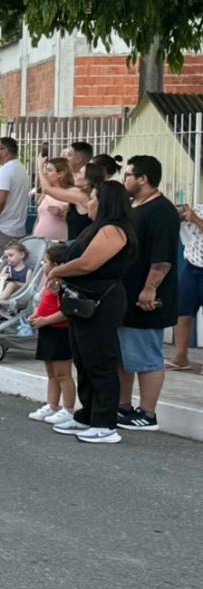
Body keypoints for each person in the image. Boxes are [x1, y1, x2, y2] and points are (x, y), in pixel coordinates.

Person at [48, 180, 136, 444]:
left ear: (106, 201)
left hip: (102, 303)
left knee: (100, 361)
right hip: (83, 301)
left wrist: (56, 271)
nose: (90, 202)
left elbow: (88, 264)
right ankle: (87, 415)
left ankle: (105, 423)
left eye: (94, 197)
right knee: (84, 359)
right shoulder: (97, 228)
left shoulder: (114, 230)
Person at [115, 155, 180, 432]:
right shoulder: (134, 206)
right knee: (124, 356)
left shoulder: (161, 211)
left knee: (146, 356)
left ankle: (148, 413)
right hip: (125, 295)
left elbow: (163, 257)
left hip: (147, 299)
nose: (124, 179)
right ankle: (123, 406)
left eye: (128, 175)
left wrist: (150, 288)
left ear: (143, 179)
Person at [0, 137, 30, 322]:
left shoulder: (6, 170)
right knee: (11, 270)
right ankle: (8, 311)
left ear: (5, 151)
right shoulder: (20, 169)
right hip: (16, 226)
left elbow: (2, 199)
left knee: (1, 271)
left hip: (2, 227)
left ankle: (0, 314)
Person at [27, 244, 77, 425]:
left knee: (63, 373)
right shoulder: (51, 281)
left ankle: (69, 409)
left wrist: (45, 320)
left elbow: (67, 311)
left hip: (61, 331)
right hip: (47, 329)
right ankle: (52, 405)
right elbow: (46, 304)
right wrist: (37, 316)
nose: (43, 265)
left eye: (45, 261)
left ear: (57, 264)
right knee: (51, 373)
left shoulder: (65, 284)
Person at [173, 191, 203, 373]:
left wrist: (195, 219)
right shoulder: (199, 207)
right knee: (183, 312)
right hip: (193, 266)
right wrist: (182, 215)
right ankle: (180, 357)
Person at [33, 158, 74, 242]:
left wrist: (62, 213)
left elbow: (74, 218)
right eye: (45, 170)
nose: (45, 173)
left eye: (49, 170)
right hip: (39, 239)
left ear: (60, 174)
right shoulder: (45, 193)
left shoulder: (71, 192)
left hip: (59, 241)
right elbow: (39, 219)